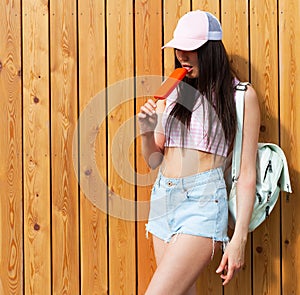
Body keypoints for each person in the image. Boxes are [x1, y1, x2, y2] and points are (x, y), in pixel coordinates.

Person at [138, 10, 260, 295]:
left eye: (191, 49)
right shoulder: (172, 93)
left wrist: (239, 237)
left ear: (211, 51)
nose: (182, 55)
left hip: (203, 202)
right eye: (179, 48)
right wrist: (146, 131)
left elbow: (245, 174)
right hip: (163, 198)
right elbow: (154, 159)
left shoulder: (240, 96)